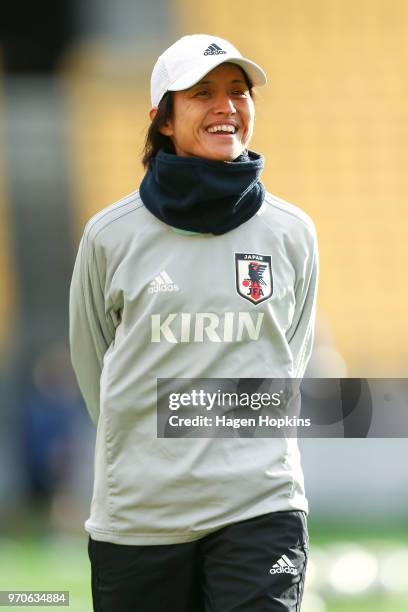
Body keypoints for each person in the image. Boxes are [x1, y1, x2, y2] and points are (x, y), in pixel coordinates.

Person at [69, 33, 318, 612]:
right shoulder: (110, 235)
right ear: (162, 120)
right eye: (202, 93)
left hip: (260, 503)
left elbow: (289, 358)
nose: (226, 106)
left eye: (238, 91)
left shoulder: (292, 232)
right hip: (140, 515)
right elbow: (93, 365)